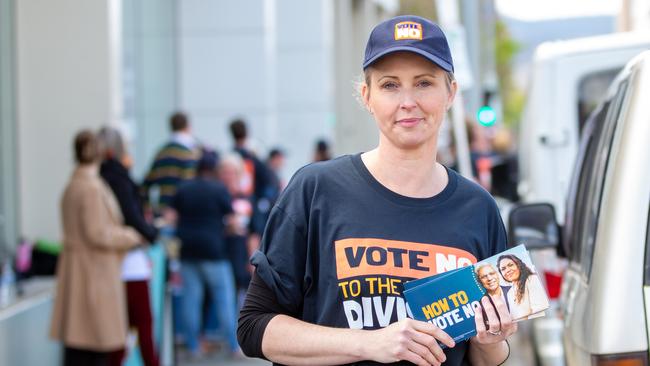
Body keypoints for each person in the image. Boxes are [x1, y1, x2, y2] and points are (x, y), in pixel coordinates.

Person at [238, 15, 516, 366]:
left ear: (451, 93)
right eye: (389, 85)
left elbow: (485, 356)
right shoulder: (316, 191)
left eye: (424, 83)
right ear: (367, 96)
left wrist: (490, 341)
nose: (408, 101)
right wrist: (369, 344)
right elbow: (254, 327)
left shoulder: (478, 208)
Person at [50, 130, 143, 366]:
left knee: (81, 346)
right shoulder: (90, 187)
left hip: (83, 270)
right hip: (93, 273)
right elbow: (97, 233)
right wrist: (130, 235)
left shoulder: (75, 185)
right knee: (93, 346)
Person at [97, 127, 160, 366]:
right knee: (142, 326)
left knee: (118, 330)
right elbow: (132, 216)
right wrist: (151, 233)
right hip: (129, 260)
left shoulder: (99, 178)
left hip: (110, 263)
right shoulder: (118, 178)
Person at [169, 149, 239, 359]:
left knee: (191, 300)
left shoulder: (183, 188)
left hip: (188, 251)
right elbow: (234, 221)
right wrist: (225, 230)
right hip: (214, 251)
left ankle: (193, 346)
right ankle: (234, 346)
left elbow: (170, 217)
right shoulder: (219, 189)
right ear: (214, 170)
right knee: (224, 300)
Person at [142, 111, 200, 214]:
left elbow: (146, 184)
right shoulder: (191, 153)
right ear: (188, 126)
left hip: (163, 210)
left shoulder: (161, 153)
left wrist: (148, 206)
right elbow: (189, 184)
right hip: (183, 213)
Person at [497, 254, 549, 321]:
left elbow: (539, 309)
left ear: (518, 265)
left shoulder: (531, 279)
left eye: (510, 265)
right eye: (503, 269)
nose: (507, 270)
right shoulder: (509, 292)